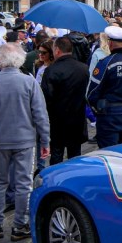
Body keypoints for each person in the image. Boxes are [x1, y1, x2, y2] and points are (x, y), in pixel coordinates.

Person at [0, 44, 50, 241]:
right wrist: (45, 140)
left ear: (0, 60)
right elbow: (40, 114)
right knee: (24, 182)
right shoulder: (29, 82)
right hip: (25, 139)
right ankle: (20, 224)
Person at [86, 26, 122, 149]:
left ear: (110, 43)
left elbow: (92, 91)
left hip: (109, 115)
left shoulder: (106, 62)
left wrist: (96, 109)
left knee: (109, 152)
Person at [41, 36, 90, 164]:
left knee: (56, 156)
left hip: (57, 122)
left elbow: (46, 99)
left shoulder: (51, 70)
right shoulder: (83, 68)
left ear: (57, 50)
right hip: (77, 119)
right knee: (75, 155)